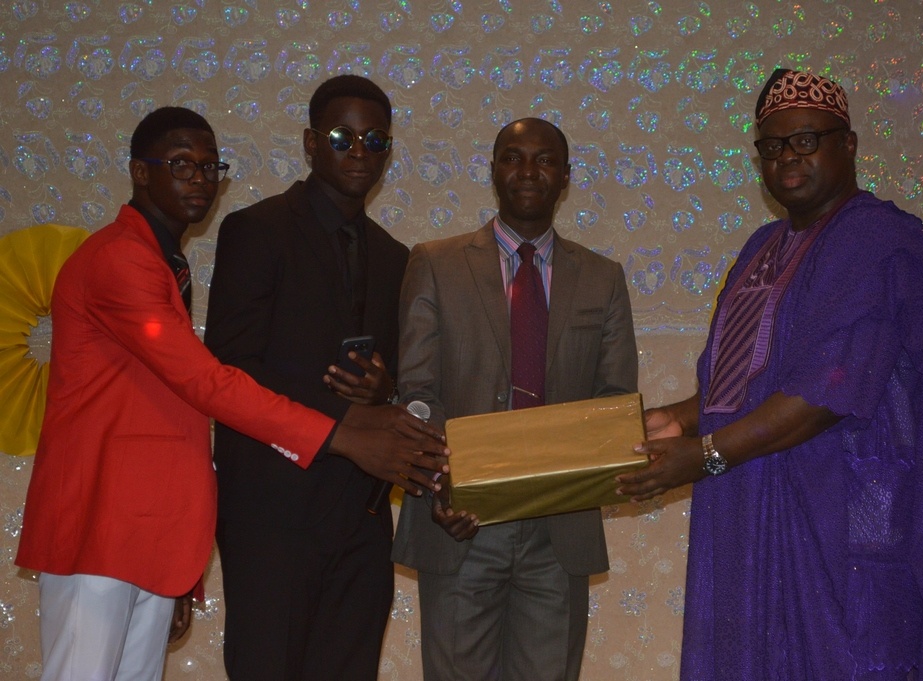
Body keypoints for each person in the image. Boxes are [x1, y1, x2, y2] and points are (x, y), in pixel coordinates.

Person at [14, 106, 447, 681]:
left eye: (209, 166)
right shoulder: (119, 260)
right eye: (180, 165)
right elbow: (207, 382)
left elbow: (174, 412)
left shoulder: (162, 263)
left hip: (150, 531)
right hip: (101, 521)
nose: (199, 179)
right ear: (140, 172)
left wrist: (178, 569)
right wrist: (341, 437)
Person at [617, 69, 923, 679]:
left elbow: (829, 390)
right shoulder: (761, 247)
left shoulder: (877, 238)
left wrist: (706, 454)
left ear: (849, 144)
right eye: (772, 145)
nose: (788, 156)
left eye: (807, 140)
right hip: (749, 505)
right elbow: (748, 381)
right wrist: (679, 419)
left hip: (841, 520)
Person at [392, 117, 638, 681]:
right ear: (493, 171)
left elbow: (615, 400)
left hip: (560, 529)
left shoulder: (602, 278)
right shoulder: (435, 263)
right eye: (513, 157)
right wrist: (442, 483)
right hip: (459, 521)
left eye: (544, 159)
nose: (528, 171)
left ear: (566, 176)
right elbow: (418, 395)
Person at [203, 75, 411, 681]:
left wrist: (385, 391)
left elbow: (399, 376)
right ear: (311, 143)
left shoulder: (396, 256)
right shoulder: (257, 229)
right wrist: (347, 418)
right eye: (343, 137)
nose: (359, 152)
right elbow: (232, 365)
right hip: (272, 509)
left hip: (360, 513)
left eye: (375, 140)